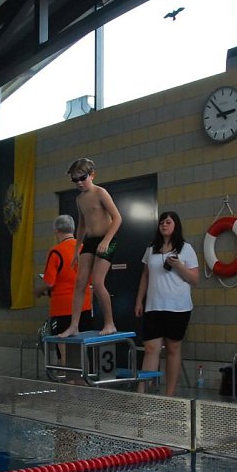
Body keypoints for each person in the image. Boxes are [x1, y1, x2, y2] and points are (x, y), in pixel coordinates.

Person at [134, 211, 199, 396]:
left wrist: (179, 266)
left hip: (177, 307)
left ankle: (169, 394)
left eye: (168, 222)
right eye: (161, 222)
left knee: (173, 349)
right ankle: (142, 393)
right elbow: (145, 276)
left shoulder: (186, 249)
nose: (164, 225)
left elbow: (195, 280)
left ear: (175, 225)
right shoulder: (151, 248)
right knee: (151, 349)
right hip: (154, 306)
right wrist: (139, 300)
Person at [57, 158, 122, 337]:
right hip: (90, 241)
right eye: (74, 180)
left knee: (98, 282)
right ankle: (74, 325)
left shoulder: (101, 192)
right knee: (79, 282)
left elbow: (118, 218)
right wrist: (77, 249)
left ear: (92, 175)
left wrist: (106, 241)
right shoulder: (79, 199)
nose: (79, 183)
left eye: (82, 178)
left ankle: (110, 323)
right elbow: (82, 224)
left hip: (107, 239)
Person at [34, 214, 94, 365]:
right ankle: (83, 381)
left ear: (56, 230)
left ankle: (70, 384)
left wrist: (38, 291)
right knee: (82, 346)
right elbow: (92, 279)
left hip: (63, 308)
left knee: (65, 348)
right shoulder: (85, 249)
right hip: (84, 306)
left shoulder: (56, 252)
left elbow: (49, 282)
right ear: (73, 229)